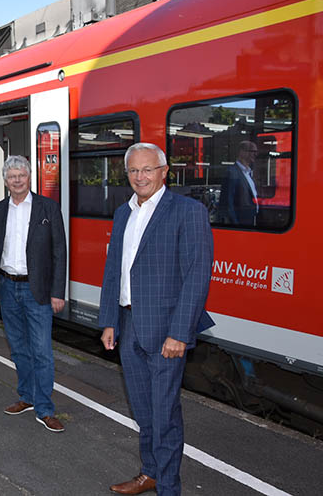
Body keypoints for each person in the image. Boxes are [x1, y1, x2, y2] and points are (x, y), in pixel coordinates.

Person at [99, 143, 214, 495]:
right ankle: (149, 472)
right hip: (129, 325)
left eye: (148, 169)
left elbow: (197, 275)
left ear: (165, 172)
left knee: (164, 416)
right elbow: (114, 271)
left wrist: (180, 332)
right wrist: (109, 321)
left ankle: (168, 487)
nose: (140, 177)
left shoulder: (187, 211)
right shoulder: (123, 214)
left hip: (166, 330)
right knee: (144, 412)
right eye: (133, 170)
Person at [0, 155, 67, 433]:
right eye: (12, 176)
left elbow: (59, 253)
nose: (17, 180)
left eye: (22, 175)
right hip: (7, 287)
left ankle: (45, 408)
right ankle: (26, 397)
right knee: (18, 349)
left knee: (42, 351)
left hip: (37, 289)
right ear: (5, 181)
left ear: (30, 177)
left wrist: (58, 292)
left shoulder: (48, 208)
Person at [219, 140, 258, 225]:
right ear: (242, 152)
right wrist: (235, 224)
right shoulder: (232, 172)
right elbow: (228, 203)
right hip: (240, 224)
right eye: (252, 151)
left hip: (251, 221)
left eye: (256, 152)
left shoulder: (249, 173)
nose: (255, 154)